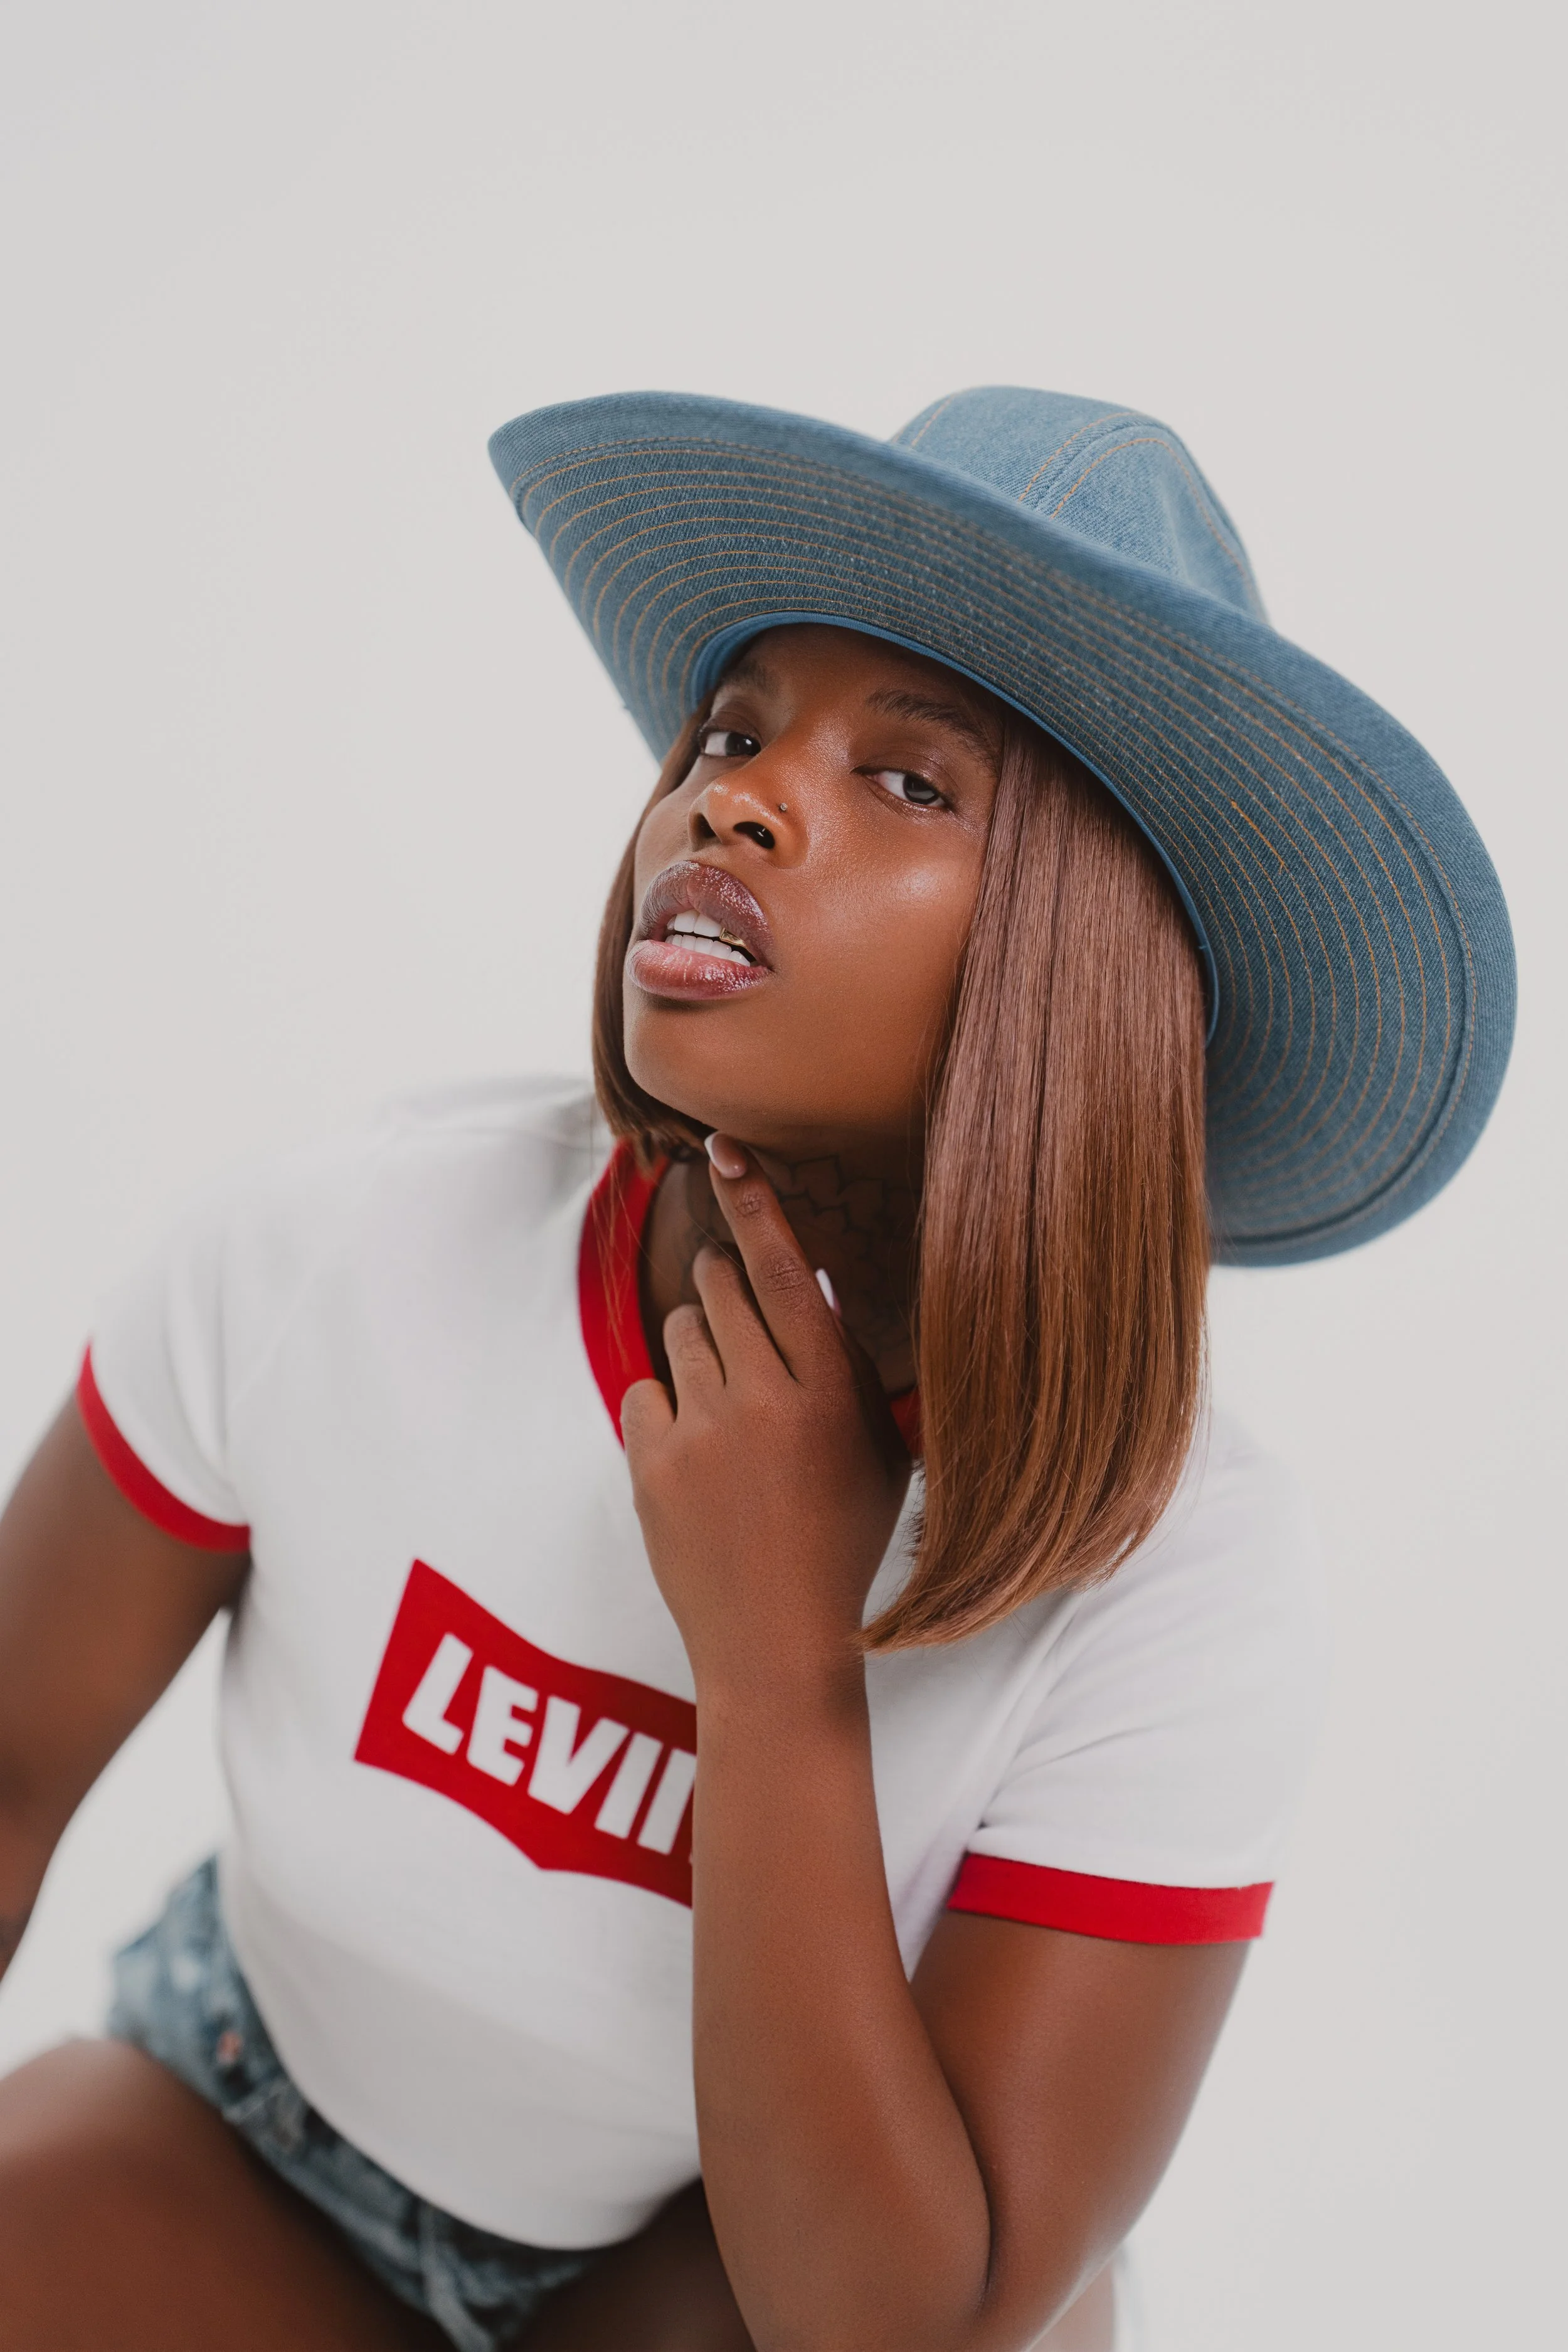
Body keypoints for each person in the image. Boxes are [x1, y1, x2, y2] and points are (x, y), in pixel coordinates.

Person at [0, 388, 1514, 2352]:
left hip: (725, 2270)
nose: (732, 798)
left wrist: (778, 1660)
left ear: (1086, 976)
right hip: (243, 2126)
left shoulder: (1185, 1569)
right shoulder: (335, 1247)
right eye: (732, 731)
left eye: (908, 783)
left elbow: (896, 2322)